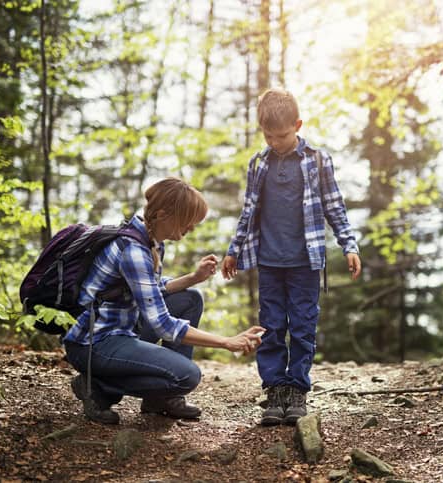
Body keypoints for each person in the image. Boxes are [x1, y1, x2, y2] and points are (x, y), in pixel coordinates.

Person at [63, 177, 264, 425]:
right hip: (94, 343)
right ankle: (97, 388)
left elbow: (152, 290)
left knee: (189, 299)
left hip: (123, 329)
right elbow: (163, 325)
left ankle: (159, 400)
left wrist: (194, 277)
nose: (191, 227)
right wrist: (226, 342)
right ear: (162, 215)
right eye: (188, 220)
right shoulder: (134, 250)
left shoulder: (150, 240)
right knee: (186, 376)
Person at [221, 88, 362, 426]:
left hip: (305, 263)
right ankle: (275, 388)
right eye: (268, 135)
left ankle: (296, 388)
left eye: (282, 135)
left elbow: (334, 206)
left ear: (297, 125)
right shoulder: (258, 163)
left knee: (302, 326)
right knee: (270, 326)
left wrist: (349, 244)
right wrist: (234, 250)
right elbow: (249, 212)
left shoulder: (316, 160)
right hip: (268, 262)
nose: (275, 141)